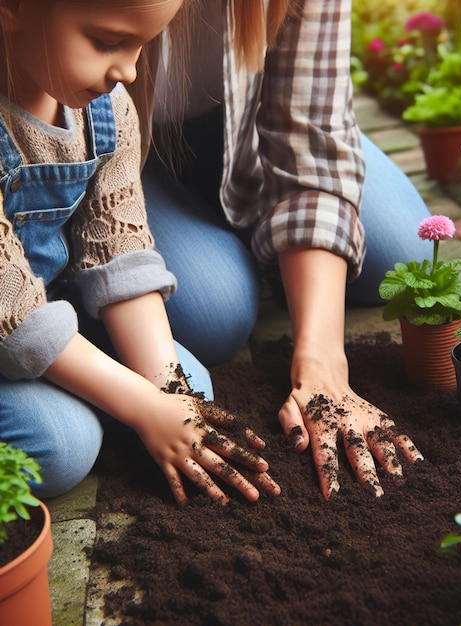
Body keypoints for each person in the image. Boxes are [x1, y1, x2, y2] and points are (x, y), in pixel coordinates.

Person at [141, 0, 433, 499]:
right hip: (133, 153)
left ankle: (259, 238)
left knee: (407, 252)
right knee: (218, 314)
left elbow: (312, 145)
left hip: (253, 124)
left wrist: (321, 361)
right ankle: (239, 246)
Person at [0, 0, 281, 506]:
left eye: (142, 45)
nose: (128, 71)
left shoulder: (107, 110)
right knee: (61, 447)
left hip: (43, 323)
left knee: (189, 385)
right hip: (12, 326)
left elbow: (120, 254)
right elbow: (14, 314)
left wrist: (165, 395)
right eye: (107, 42)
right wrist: (142, 409)